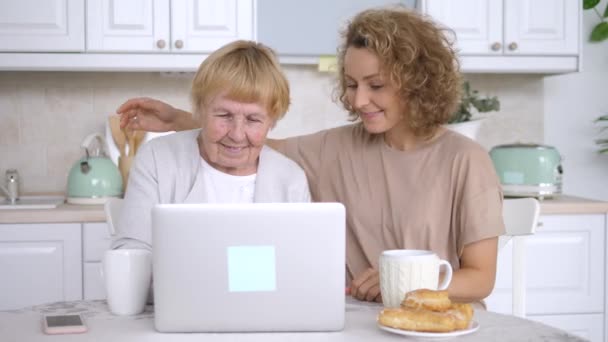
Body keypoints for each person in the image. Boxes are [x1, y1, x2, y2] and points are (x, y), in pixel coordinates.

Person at [116, 6, 505, 304]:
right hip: (364, 321)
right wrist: (187, 118)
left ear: (419, 82)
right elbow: (252, 143)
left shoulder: (465, 160)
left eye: (376, 85)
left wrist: (405, 284)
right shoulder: (338, 147)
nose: (359, 100)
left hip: (443, 324)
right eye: (352, 85)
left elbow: (481, 278)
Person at [112, 40, 311, 250]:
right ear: (199, 111)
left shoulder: (291, 179)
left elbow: (299, 264)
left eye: (253, 120)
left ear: (272, 121)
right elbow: (131, 252)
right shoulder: (157, 159)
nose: (236, 134)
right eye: (224, 115)